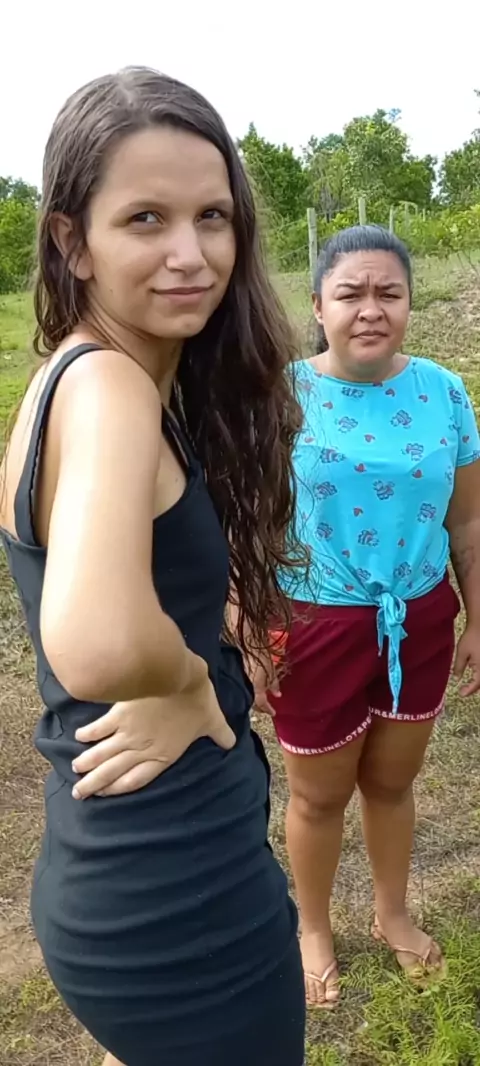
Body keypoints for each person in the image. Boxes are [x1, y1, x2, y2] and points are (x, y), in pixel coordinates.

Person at [0, 67, 309, 1066]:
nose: (191, 253)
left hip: (134, 876)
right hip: (178, 904)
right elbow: (92, 639)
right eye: (145, 218)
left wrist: (209, 623)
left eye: (212, 216)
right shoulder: (109, 390)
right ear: (71, 242)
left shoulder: (83, 376)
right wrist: (184, 682)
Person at [253, 225, 480, 1009]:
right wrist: (248, 623)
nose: (371, 309)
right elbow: (245, 520)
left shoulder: (445, 393)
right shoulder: (278, 395)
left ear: (410, 303)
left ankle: (392, 914)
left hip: (420, 620)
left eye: (390, 292)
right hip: (313, 624)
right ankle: (313, 929)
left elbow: (467, 522)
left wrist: (476, 619)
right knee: (318, 795)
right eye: (351, 293)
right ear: (320, 306)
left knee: (391, 781)